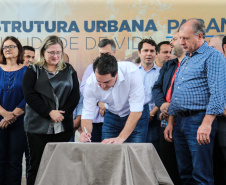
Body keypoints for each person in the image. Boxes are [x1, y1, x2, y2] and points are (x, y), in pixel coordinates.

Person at [164, 19, 226, 184]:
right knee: (184, 174)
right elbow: (177, 93)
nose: (181, 42)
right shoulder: (186, 57)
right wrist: (171, 122)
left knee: (201, 175)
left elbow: (218, 95)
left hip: (199, 121)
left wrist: (206, 124)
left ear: (199, 36)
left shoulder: (214, 57)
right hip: (180, 122)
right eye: (180, 38)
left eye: (186, 38)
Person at [22, 35, 80, 185]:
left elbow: (75, 95)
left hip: (63, 126)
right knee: (37, 166)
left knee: (60, 166)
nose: (55, 56)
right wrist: (49, 112)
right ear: (43, 52)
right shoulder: (33, 69)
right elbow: (29, 95)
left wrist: (62, 114)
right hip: (37, 126)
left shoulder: (69, 69)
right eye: (51, 52)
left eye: (58, 52)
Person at [80, 54, 149, 143]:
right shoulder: (90, 83)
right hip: (112, 114)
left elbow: (136, 110)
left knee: (135, 151)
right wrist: (86, 133)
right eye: (99, 82)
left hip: (136, 115)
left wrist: (121, 138)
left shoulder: (132, 72)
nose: (103, 86)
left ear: (116, 74)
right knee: (107, 151)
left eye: (107, 82)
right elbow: (87, 112)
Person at [152, 32, 184, 185]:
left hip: (185, 120)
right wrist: (163, 104)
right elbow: (156, 87)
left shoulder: (192, 64)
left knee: (185, 166)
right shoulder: (168, 65)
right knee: (167, 164)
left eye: (175, 40)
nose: (172, 44)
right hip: (165, 119)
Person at [0, 36, 27, 185]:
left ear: (19, 49)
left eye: (11, 46)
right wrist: (4, 114)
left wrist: (12, 115)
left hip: (19, 122)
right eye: (5, 47)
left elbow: (29, 96)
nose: (8, 49)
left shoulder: (27, 71)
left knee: (15, 160)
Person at [80, 39, 116, 142]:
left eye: (107, 54)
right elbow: (84, 89)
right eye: (101, 54)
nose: (104, 57)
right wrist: (99, 102)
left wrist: (106, 103)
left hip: (113, 119)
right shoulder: (91, 68)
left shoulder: (119, 69)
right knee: (93, 150)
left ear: (114, 52)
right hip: (94, 119)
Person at [137, 39, 161, 152]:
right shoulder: (132, 72)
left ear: (156, 53)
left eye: (152, 51)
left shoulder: (162, 73)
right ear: (139, 53)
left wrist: (151, 113)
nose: (149, 54)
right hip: (134, 119)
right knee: (136, 152)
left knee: (153, 152)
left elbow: (164, 95)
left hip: (155, 119)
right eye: (145, 50)